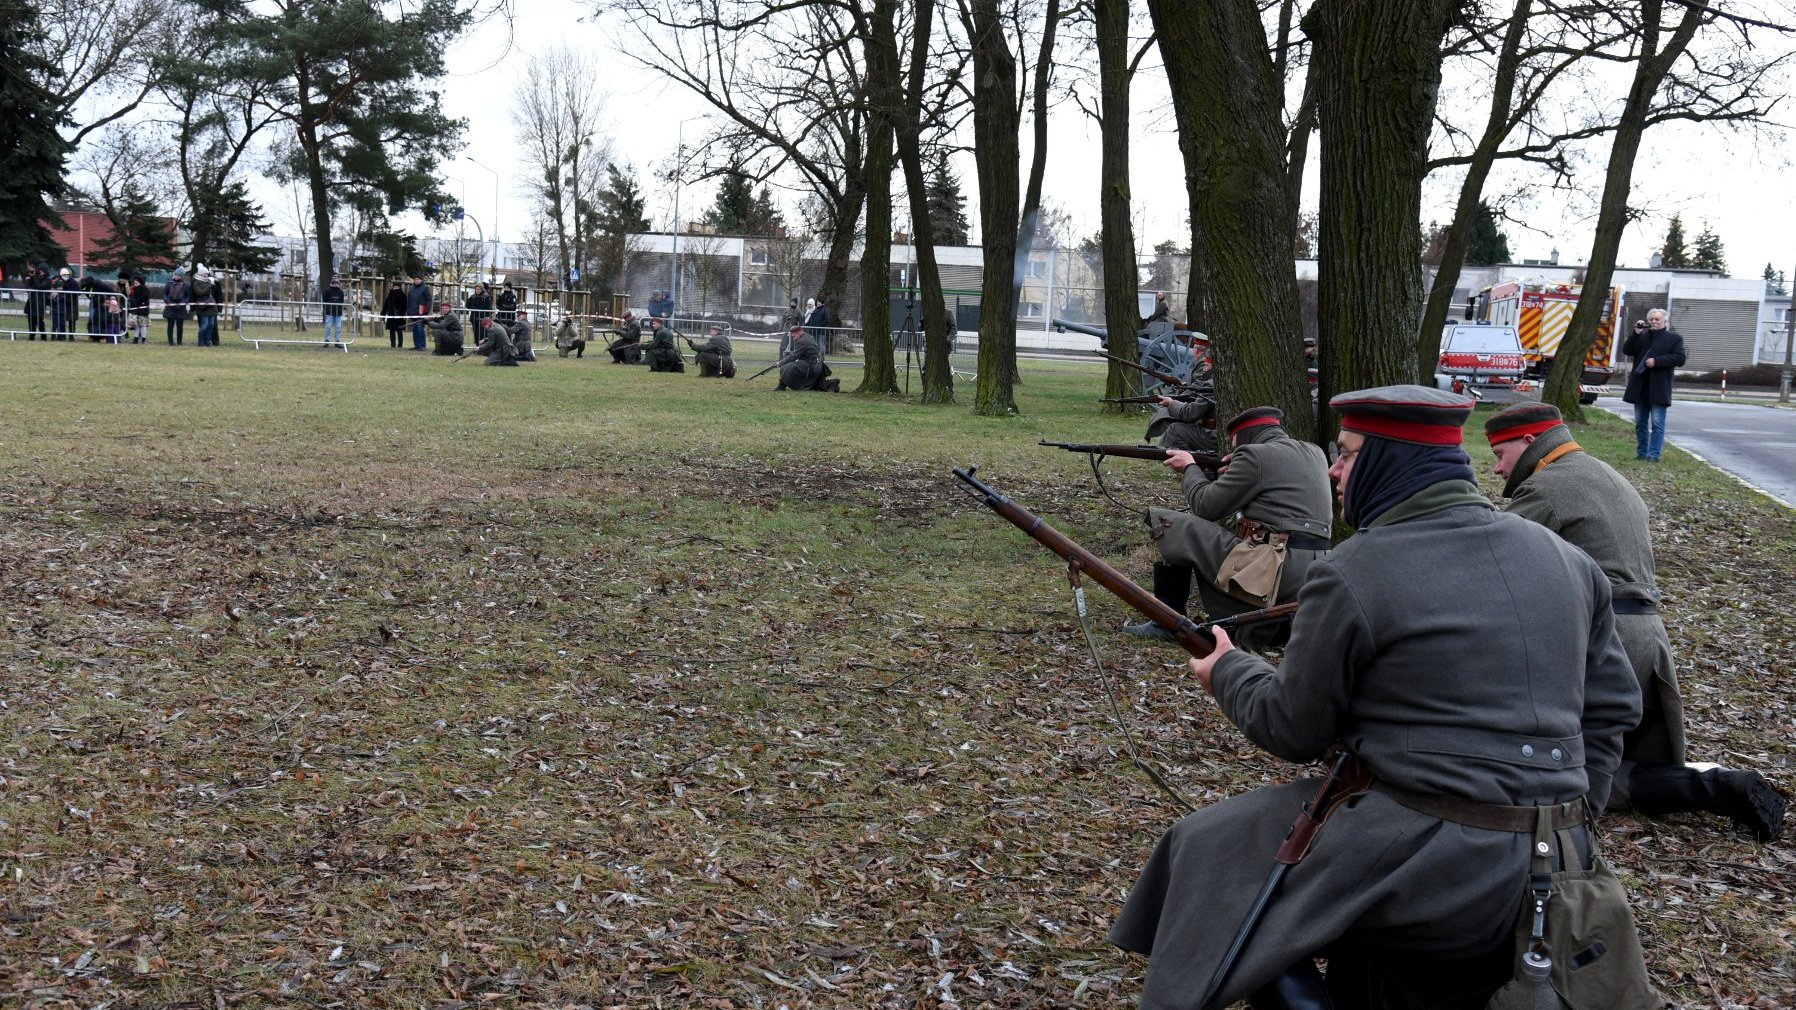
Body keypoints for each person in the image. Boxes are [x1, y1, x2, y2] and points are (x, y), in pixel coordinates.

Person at [1112, 385, 1646, 1010]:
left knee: (1206, 851)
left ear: (1393, 460)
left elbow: (1292, 727)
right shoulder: (1566, 559)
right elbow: (1612, 711)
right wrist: (1572, 818)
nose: (1334, 470)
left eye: (1347, 454)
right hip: (1562, 851)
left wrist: (1228, 669)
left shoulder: (1356, 566)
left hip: (1428, 852)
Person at [1486, 402, 1784, 841]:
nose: (1496, 468)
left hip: (1603, 643)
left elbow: (1489, 558)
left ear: (1530, 442)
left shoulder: (1547, 488)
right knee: (1616, 761)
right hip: (1648, 640)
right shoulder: (1608, 475)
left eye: (1499, 454)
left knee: (1556, 771)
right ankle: (1721, 785)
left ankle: (1711, 787)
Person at [1123, 406, 1332, 650]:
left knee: (1171, 524)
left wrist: (1190, 468)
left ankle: (1166, 622)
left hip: (1276, 569)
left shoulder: (1255, 457)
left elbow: (1204, 506)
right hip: (1315, 570)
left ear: (1244, 438)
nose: (1234, 449)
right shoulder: (1314, 452)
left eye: (1235, 445)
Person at [1621, 308, 1686, 462]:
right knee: (1640, 424)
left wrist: (1657, 361)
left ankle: (1654, 455)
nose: (1654, 322)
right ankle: (1642, 453)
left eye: (1657, 319)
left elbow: (1680, 358)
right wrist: (1635, 333)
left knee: (1657, 423)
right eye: (1651, 319)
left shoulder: (1674, 339)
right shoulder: (1642, 338)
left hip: (1659, 388)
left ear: (1665, 322)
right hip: (1640, 388)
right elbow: (1627, 350)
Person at [1146, 347, 1218, 454]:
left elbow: (1190, 413)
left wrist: (1171, 403)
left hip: (1216, 436)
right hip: (1223, 432)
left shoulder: (1211, 384)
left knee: (1175, 430)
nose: (1204, 369)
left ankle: (1195, 461)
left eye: (1207, 365)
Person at [774, 324, 837, 391]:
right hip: (816, 363)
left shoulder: (802, 341)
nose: (793, 338)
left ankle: (781, 387)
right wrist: (790, 353)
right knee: (791, 366)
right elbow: (803, 352)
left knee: (786, 367)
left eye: (794, 336)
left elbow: (793, 357)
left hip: (812, 365)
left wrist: (780, 363)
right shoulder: (808, 336)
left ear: (798, 333)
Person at [190, 265, 220, 346]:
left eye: (207, 274)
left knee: (211, 325)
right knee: (204, 326)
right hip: (203, 307)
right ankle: (201, 341)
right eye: (205, 274)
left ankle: (208, 341)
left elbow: (215, 292)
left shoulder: (209, 281)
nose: (207, 275)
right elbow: (200, 292)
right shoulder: (196, 282)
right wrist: (209, 285)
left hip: (211, 306)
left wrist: (214, 283)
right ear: (201, 274)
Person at [163, 268, 190, 345]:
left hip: (181, 307)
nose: (177, 276)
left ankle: (179, 341)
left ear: (182, 276)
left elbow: (188, 296)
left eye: (179, 275)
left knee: (180, 326)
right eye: (176, 275)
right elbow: (164, 294)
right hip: (170, 306)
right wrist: (167, 301)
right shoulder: (169, 283)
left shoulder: (186, 285)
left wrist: (184, 303)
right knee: (170, 325)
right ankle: (170, 341)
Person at [406, 273, 432, 351]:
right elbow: (409, 300)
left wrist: (426, 311)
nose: (416, 281)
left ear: (421, 280)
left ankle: (422, 345)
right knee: (414, 329)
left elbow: (429, 300)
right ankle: (416, 345)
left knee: (420, 328)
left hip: (421, 312)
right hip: (413, 312)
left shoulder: (425, 288)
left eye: (418, 279)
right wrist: (408, 311)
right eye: (415, 279)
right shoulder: (411, 288)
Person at [24, 263, 51, 339]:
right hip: (31, 303)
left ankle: (43, 336)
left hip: (40, 303)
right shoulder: (35, 278)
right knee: (31, 321)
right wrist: (32, 276)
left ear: (45, 271)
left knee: (39, 321)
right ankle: (31, 336)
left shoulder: (48, 280)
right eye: (39, 270)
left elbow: (41, 287)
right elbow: (30, 285)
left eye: (42, 270)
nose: (40, 272)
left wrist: (38, 278)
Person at [381, 281, 408, 349]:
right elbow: (386, 305)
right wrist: (383, 313)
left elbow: (405, 306)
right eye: (394, 287)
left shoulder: (402, 295)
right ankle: (392, 345)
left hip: (399, 316)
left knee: (399, 331)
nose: (395, 288)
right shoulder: (390, 295)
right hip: (391, 315)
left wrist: (403, 315)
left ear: (399, 287)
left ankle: (400, 345)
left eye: (397, 287)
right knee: (392, 331)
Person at [322, 274, 346, 347]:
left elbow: (342, 301)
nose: (336, 284)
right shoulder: (327, 291)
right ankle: (327, 340)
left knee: (338, 327)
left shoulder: (341, 292)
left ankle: (337, 341)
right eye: (334, 282)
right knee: (328, 326)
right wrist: (327, 308)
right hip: (329, 312)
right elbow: (324, 301)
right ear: (332, 282)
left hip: (338, 313)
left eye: (337, 282)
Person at [126, 275, 150, 344]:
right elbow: (131, 298)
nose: (135, 284)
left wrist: (135, 301)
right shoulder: (133, 290)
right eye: (134, 283)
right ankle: (135, 339)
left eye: (137, 283)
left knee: (143, 325)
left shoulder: (145, 289)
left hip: (143, 310)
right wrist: (132, 300)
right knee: (136, 325)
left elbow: (143, 298)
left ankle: (143, 339)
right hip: (135, 310)